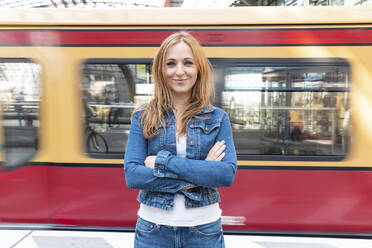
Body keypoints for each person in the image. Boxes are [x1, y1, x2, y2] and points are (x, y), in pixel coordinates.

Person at [124, 32, 237, 248]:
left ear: (198, 69)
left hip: (204, 230)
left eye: (187, 63)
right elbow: (133, 175)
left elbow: (225, 174)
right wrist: (202, 171)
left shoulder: (217, 118)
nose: (179, 71)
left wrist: (162, 162)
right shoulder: (143, 117)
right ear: (161, 69)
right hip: (152, 230)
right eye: (171, 63)